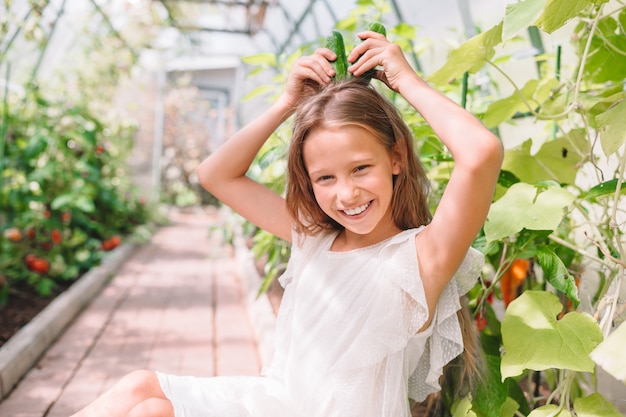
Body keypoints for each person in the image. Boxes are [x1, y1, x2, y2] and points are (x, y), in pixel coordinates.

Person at [71, 30, 503, 417]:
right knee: (139, 389)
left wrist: (405, 81)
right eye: (325, 178)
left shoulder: (422, 258)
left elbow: (481, 152)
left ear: (396, 159)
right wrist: (286, 104)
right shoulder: (315, 239)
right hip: (277, 402)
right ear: (309, 181)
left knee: (152, 413)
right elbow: (215, 175)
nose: (346, 194)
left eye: (360, 169)